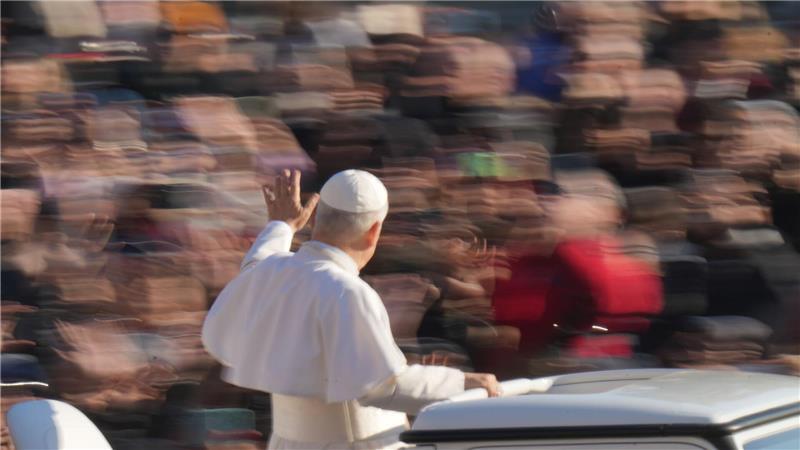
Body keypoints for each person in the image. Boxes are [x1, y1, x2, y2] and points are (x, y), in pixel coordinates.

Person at [202, 169, 500, 450]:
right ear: (374, 231)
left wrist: (281, 225)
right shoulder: (347, 291)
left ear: (317, 216)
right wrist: (465, 382)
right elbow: (382, 386)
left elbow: (257, 261)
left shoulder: (270, 273)